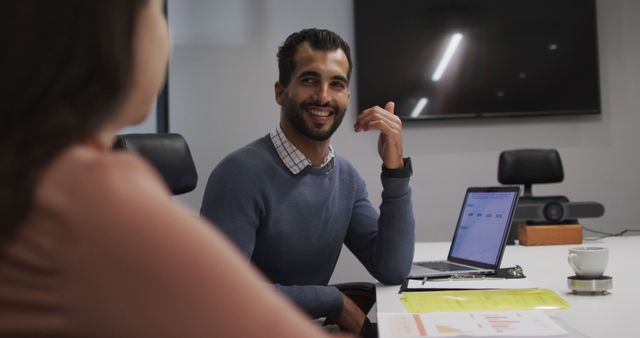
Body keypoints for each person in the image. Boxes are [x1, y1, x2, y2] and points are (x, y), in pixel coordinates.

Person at [0, 2, 349, 337]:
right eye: (157, 10)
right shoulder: (92, 193)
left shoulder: (31, 169)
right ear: (112, 36)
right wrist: (332, 301)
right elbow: (228, 308)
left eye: (337, 83)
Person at [200, 28, 415, 334]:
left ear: (347, 97)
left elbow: (392, 269)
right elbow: (224, 294)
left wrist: (395, 170)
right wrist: (332, 301)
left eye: (336, 84)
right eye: (309, 80)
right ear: (280, 91)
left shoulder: (346, 177)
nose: (324, 96)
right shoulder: (238, 174)